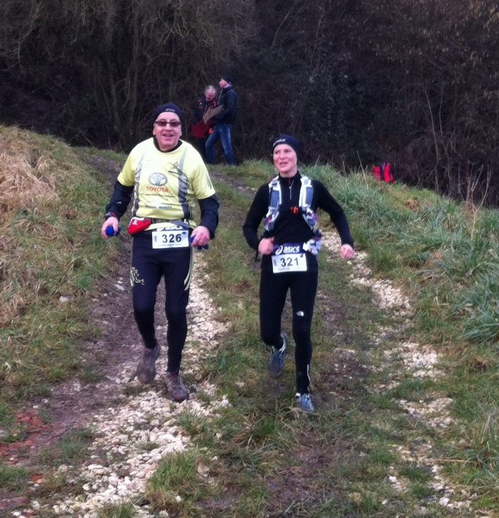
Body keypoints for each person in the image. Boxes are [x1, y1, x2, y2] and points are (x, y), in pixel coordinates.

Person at [101, 103, 219, 402]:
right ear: (154, 127)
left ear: (181, 129)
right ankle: (150, 346)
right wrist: (113, 215)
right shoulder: (139, 152)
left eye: (174, 124)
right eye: (162, 123)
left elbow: (210, 204)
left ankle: (173, 374)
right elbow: (122, 189)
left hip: (179, 241)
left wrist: (205, 227)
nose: (168, 128)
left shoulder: (191, 157)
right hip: (145, 239)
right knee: (141, 306)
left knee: (175, 310)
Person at [242, 135, 355, 413]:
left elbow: (338, 213)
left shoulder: (313, 188)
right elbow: (248, 226)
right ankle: (278, 346)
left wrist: (346, 241)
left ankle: (302, 392)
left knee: (302, 329)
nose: (282, 156)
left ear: (297, 156)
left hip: (305, 264)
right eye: (277, 152)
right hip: (275, 265)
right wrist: (259, 243)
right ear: (274, 158)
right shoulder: (265, 191)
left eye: (287, 151)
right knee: (267, 331)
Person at [205, 75, 237, 165]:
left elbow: (230, 109)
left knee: (226, 146)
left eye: (221, 80)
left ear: (227, 82)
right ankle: (211, 164)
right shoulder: (223, 92)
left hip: (225, 123)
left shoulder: (230, 93)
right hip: (219, 123)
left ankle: (230, 166)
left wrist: (219, 116)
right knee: (209, 144)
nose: (219, 82)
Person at [191, 85, 219, 158]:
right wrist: (195, 124)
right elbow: (195, 113)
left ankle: (211, 163)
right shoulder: (200, 102)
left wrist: (212, 127)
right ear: (205, 93)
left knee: (208, 145)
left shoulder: (216, 104)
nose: (210, 97)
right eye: (209, 95)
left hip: (209, 128)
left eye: (212, 95)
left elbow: (216, 117)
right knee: (200, 146)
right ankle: (202, 161)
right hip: (199, 127)